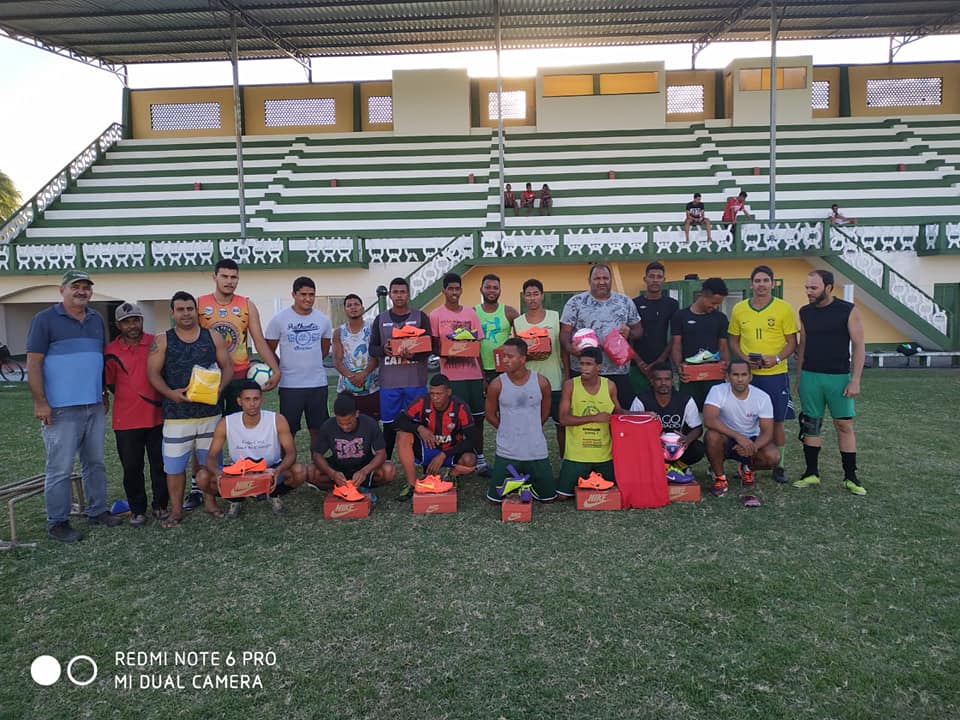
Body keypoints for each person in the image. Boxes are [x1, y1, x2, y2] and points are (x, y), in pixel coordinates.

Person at [26, 270, 121, 543]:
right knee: (60, 468)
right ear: (62, 290)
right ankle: (57, 521)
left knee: (95, 462)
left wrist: (103, 392)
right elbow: (33, 363)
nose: (81, 291)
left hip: (92, 404)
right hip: (60, 409)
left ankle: (98, 510)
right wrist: (41, 402)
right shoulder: (44, 320)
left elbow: (98, 360)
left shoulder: (95, 319)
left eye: (86, 287)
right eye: (75, 287)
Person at [146, 291, 232, 528]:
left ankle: (211, 503)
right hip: (176, 416)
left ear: (197, 311)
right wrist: (170, 394)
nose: (186, 313)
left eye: (190, 309)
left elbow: (227, 368)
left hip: (209, 414)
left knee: (210, 463)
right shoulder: (163, 339)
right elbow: (152, 374)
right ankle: (176, 511)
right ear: (172, 313)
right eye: (181, 309)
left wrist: (218, 390)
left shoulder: (212, 336)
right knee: (174, 467)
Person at [793, 270, 867, 495]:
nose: (809, 292)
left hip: (839, 378)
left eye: (813, 288)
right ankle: (812, 473)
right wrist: (799, 377)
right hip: (810, 376)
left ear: (829, 287)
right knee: (811, 426)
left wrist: (855, 380)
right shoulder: (805, 312)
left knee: (844, 425)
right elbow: (802, 345)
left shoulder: (848, 310)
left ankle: (850, 476)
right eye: (807, 287)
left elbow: (860, 346)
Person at [727, 265, 798, 484]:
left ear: (772, 283)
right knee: (744, 419)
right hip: (748, 375)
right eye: (757, 281)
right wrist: (743, 360)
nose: (761, 285)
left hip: (775, 373)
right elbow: (733, 340)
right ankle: (745, 461)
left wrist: (776, 358)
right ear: (751, 284)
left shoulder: (784, 308)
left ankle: (781, 465)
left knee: (776, 420)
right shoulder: (739, 308)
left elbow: (792, 342)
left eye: (766, 281)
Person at [197, 380, 307, 519]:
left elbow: (291, 452)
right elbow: (211, 456)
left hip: (270, 469)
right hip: (239, 472)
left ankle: (273, 494)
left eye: (256, 399)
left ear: (261, 399)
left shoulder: (276, 419)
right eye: (247, 399)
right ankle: (236, 499)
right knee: (202, 478)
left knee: (300, 471)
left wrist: (277, 470)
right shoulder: (227, 422)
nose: (252, 403)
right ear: (239, 401)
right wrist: (218, 474)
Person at [104, 302, 167, 526]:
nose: (132, 325)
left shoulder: (156, 342)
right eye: (126, 322)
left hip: (157, 416)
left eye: (136, 320)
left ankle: (161, 506)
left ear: (141, 321)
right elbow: (110, 383)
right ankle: (137, 510)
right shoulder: (110, 350)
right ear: (118, 325)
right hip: (126, 420)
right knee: (132, 468)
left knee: (160, 465)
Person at [198, 258, 280, 415]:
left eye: (233, 277)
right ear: (214, 277)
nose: (229, 281)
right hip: (210, 375)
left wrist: (276, 370)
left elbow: (259, 341)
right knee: (213, 427)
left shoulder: (247, 305)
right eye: (224, 276)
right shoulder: (200, 304)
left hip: (240, 376)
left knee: (238, 426)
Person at [484, 338, 557, 503]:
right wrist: (505, 430)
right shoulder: (496, 384)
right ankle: (519, 483)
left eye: (510, 356)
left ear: (523, 358)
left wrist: (532, 429)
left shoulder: (541, 382)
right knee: (495, 500)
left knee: (548, 498)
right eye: (504, 356)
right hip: (507, 451)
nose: (505, 360)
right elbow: (489, 415)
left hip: (536, 450)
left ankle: (525, 484)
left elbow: (545, 412)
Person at [265, 276, 334, 449]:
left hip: (317, 384)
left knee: (317, 429)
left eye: (311, 295)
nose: (308, 299)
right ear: (294, 294)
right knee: (288, 430)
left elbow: (324, 350)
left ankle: (316, 469)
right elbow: (268, 349)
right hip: (290, 385)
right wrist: (280, 367)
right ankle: (287, 469)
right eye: (303, 294)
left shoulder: (323, 320)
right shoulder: (280, 319)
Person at [368, 276, 432, 459]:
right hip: (390, 384)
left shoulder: (420, 317)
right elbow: (372, 348)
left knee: (418, 422)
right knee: (389, 424)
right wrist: (385, 350)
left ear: (408, 294)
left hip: (415, 382)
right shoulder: (381, 319)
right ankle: (386, 460)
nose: (399, 295)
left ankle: (420, 460)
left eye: (402, 292)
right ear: (389, 294)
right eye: (395, 292)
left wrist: (413, 354)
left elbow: (429, 347)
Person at [560, 263, 642, 404]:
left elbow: (639, 330)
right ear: (589, 281)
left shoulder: (625, 302)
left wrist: (630, 333)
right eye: (597, 278)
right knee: (586, 413)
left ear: (611, 280)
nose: (602, 282)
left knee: (617, 414)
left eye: (605, 278)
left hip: (618, 370)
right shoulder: (575, 302)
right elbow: (564, 333)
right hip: (584, 369)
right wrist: (570, 348)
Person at [430, 272, 486, 469]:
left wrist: (484, 376)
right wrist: (448, 351)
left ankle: (480, 459)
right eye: (450, 289)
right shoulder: (435, 315)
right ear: (443, 290)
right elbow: (434, 346)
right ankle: (453, 457)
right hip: (451, 378)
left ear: (461, 290)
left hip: (473, 375)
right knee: (453, 420)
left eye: (457, 289)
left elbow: (477, 346)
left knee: (478, 418)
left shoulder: (471, 313)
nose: (454, 292)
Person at [703, 359, 779, 500]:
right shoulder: (717, 390)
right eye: (735, 375)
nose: (739, 379)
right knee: (711, 436)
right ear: (727, 376)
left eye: (744, 375)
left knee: (773, 457)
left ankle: (747, 469)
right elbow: (709, 419)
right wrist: (738, 437)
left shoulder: (762, 397)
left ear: (750, 377)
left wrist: (752, 447)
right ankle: (720, 478)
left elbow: (768, 432)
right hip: (726, 438)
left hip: (751, 439)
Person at [395, 374, 477, 497]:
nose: (435, 398)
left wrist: (444, 455)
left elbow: (471, 440)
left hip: (451, 451)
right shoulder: (423, 401)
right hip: (429, 448)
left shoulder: (460, 407)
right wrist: (419, 428)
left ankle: (452, 475)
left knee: (470, 461)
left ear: (449, 392)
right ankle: (412, 484)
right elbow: (399, 421)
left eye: (439, 394)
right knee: (403, 435)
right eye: (432, 393)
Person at [556, 347, 621, 498]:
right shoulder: (570, 385)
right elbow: (563, 419)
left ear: (599, 366)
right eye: (582, 364)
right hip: (577, 455)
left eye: (588, 364)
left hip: (604, 455)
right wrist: (594, 418)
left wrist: (644, 415)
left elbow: (619, 413)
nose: (583, 368)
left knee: (613, 492)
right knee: (562, 496)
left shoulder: (610, 386)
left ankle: (590, 479)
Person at [516, 278, 567, 455]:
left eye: (536, 294)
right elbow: (517, 355)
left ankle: (563, 460)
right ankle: (529, 460)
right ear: (524, 298)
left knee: (561, 425)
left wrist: (567, 374)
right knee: (531, 427)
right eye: (528, 295)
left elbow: (563, 349)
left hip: (554, 380)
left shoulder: (554, 317)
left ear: (542, 295)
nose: (532, 298)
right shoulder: (518, 322)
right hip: (529, 382)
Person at [629, 362, 704, 483]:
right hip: (652, 447)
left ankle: (677, 467)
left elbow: (697, 428)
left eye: (667, 379)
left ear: (672, 381)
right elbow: (632, 429)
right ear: (652, 381)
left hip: (677, 447)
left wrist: (687, 439)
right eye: (658, 379)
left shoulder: (685, 400)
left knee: (698, 448)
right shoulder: (641, 400)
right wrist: (652, 441)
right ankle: (662, 469)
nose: (663, 383)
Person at [474, 273, 518, 474]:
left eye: (495, 288)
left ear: (500, 290)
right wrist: (481, 376)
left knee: (508, 415)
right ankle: (480, 461)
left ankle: (512, 456)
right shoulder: (473, 313)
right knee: (479, 418)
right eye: (488, 287)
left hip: (505, 372)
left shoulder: (509, 312)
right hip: (479, 371)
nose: (492, 291)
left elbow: (521, 341)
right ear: (481, 289)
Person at [310, 394, 396, 492]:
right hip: (338, 467)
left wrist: (364, 471)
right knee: (311, 471)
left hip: (364, 464)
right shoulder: (328, 425)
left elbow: (382, 453)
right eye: (340, 423)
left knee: (389, 471)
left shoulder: (370, 423)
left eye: (349, 422)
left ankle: (362, 486)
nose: (345, 427)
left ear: (356, 414)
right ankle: (342, 487)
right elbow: (317, 455)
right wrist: (332, 473)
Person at [670, 277, 730, 410]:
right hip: (690, 376)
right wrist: (678, 367)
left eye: (718, 304)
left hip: (714, 376)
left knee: (716, 416)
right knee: (688, 415)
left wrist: (726, 366)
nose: (715, 307)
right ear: (703, 294)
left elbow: (723, 346)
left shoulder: (720, 318)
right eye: (713, 303)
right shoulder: (680, 316)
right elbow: (676, 345)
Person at [630, 261, 679, 397]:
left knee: (664, 399)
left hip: (663, 364)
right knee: (637, 401)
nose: (655, 280)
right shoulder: (634, 303)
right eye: (652, 276)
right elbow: (628, 337)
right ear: (645, 279)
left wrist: (660, 360)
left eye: (659, 277)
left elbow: (675, 335)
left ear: (664, 280)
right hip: (637, 365)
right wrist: (639, 362)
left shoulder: (672, 304)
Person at [332, 293, 380, 420]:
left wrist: (364, 374)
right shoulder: (339, 332)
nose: (353, 307)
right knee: (347, 423)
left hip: (371, 387)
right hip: (347, 389)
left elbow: (376, 355)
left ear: (362, 308)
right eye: (349, 305)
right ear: (345, 310)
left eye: (356, 304)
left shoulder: (372, 328)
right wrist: (351, 377)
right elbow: (337, 360)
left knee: (371, 424)